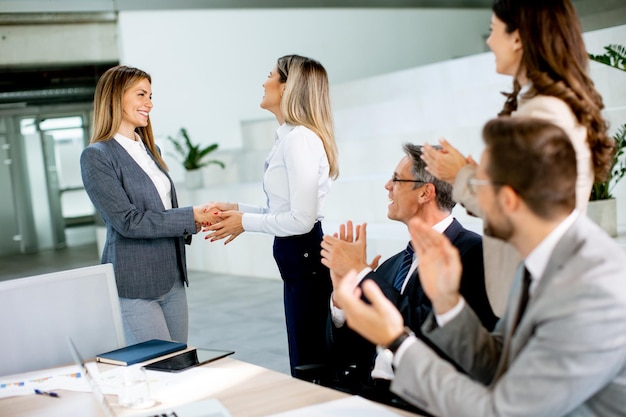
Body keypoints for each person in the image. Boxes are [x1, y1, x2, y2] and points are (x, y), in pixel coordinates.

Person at [335, 117, 626, 417]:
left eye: (476, 182)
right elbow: (499, 361)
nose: (465, 196)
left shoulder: (592, 289)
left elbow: (500, 411)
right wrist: (449, 302)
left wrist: (397, 342)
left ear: (509, 200)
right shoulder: (542, 257)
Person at [420, 0, 614, 316]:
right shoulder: (540, 107)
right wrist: (479, 175)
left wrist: (462, 175)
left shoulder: (544, 113)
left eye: (493, 30)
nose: (488, 41)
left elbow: (524, 209)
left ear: (518, 38)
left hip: (537, 289)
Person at [320, 143, 497, 409]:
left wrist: (362, 273)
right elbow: (346, 354)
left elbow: (434, 335)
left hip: (419, 401)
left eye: (396, 179)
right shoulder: (391, 266)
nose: (387, 186)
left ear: (426, 192)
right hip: (361, 394)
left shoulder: (475, 253)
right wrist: (342, 302)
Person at [204, 55, 339, 376]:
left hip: (304, 254)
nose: (264, 82)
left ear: (288, 87)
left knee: (310, 363)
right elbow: (282, 211)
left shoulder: (299, 140)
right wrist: (239, 212)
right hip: (297, 257)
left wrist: (245, 222)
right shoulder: (289, 138)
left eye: (270, 76)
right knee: (305, 356)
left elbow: (302, 220)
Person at [80, 65, 216, 345]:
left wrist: (197, 217)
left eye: (151, 95)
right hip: (135, 283)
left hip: (172, 278)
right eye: (141, 94)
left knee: (178, 361)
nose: (149, 103)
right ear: (115, 97)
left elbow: (162, 210)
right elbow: (128, 221)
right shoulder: (97, 156)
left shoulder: (151, 150)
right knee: (159, 368)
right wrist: (189, 216)